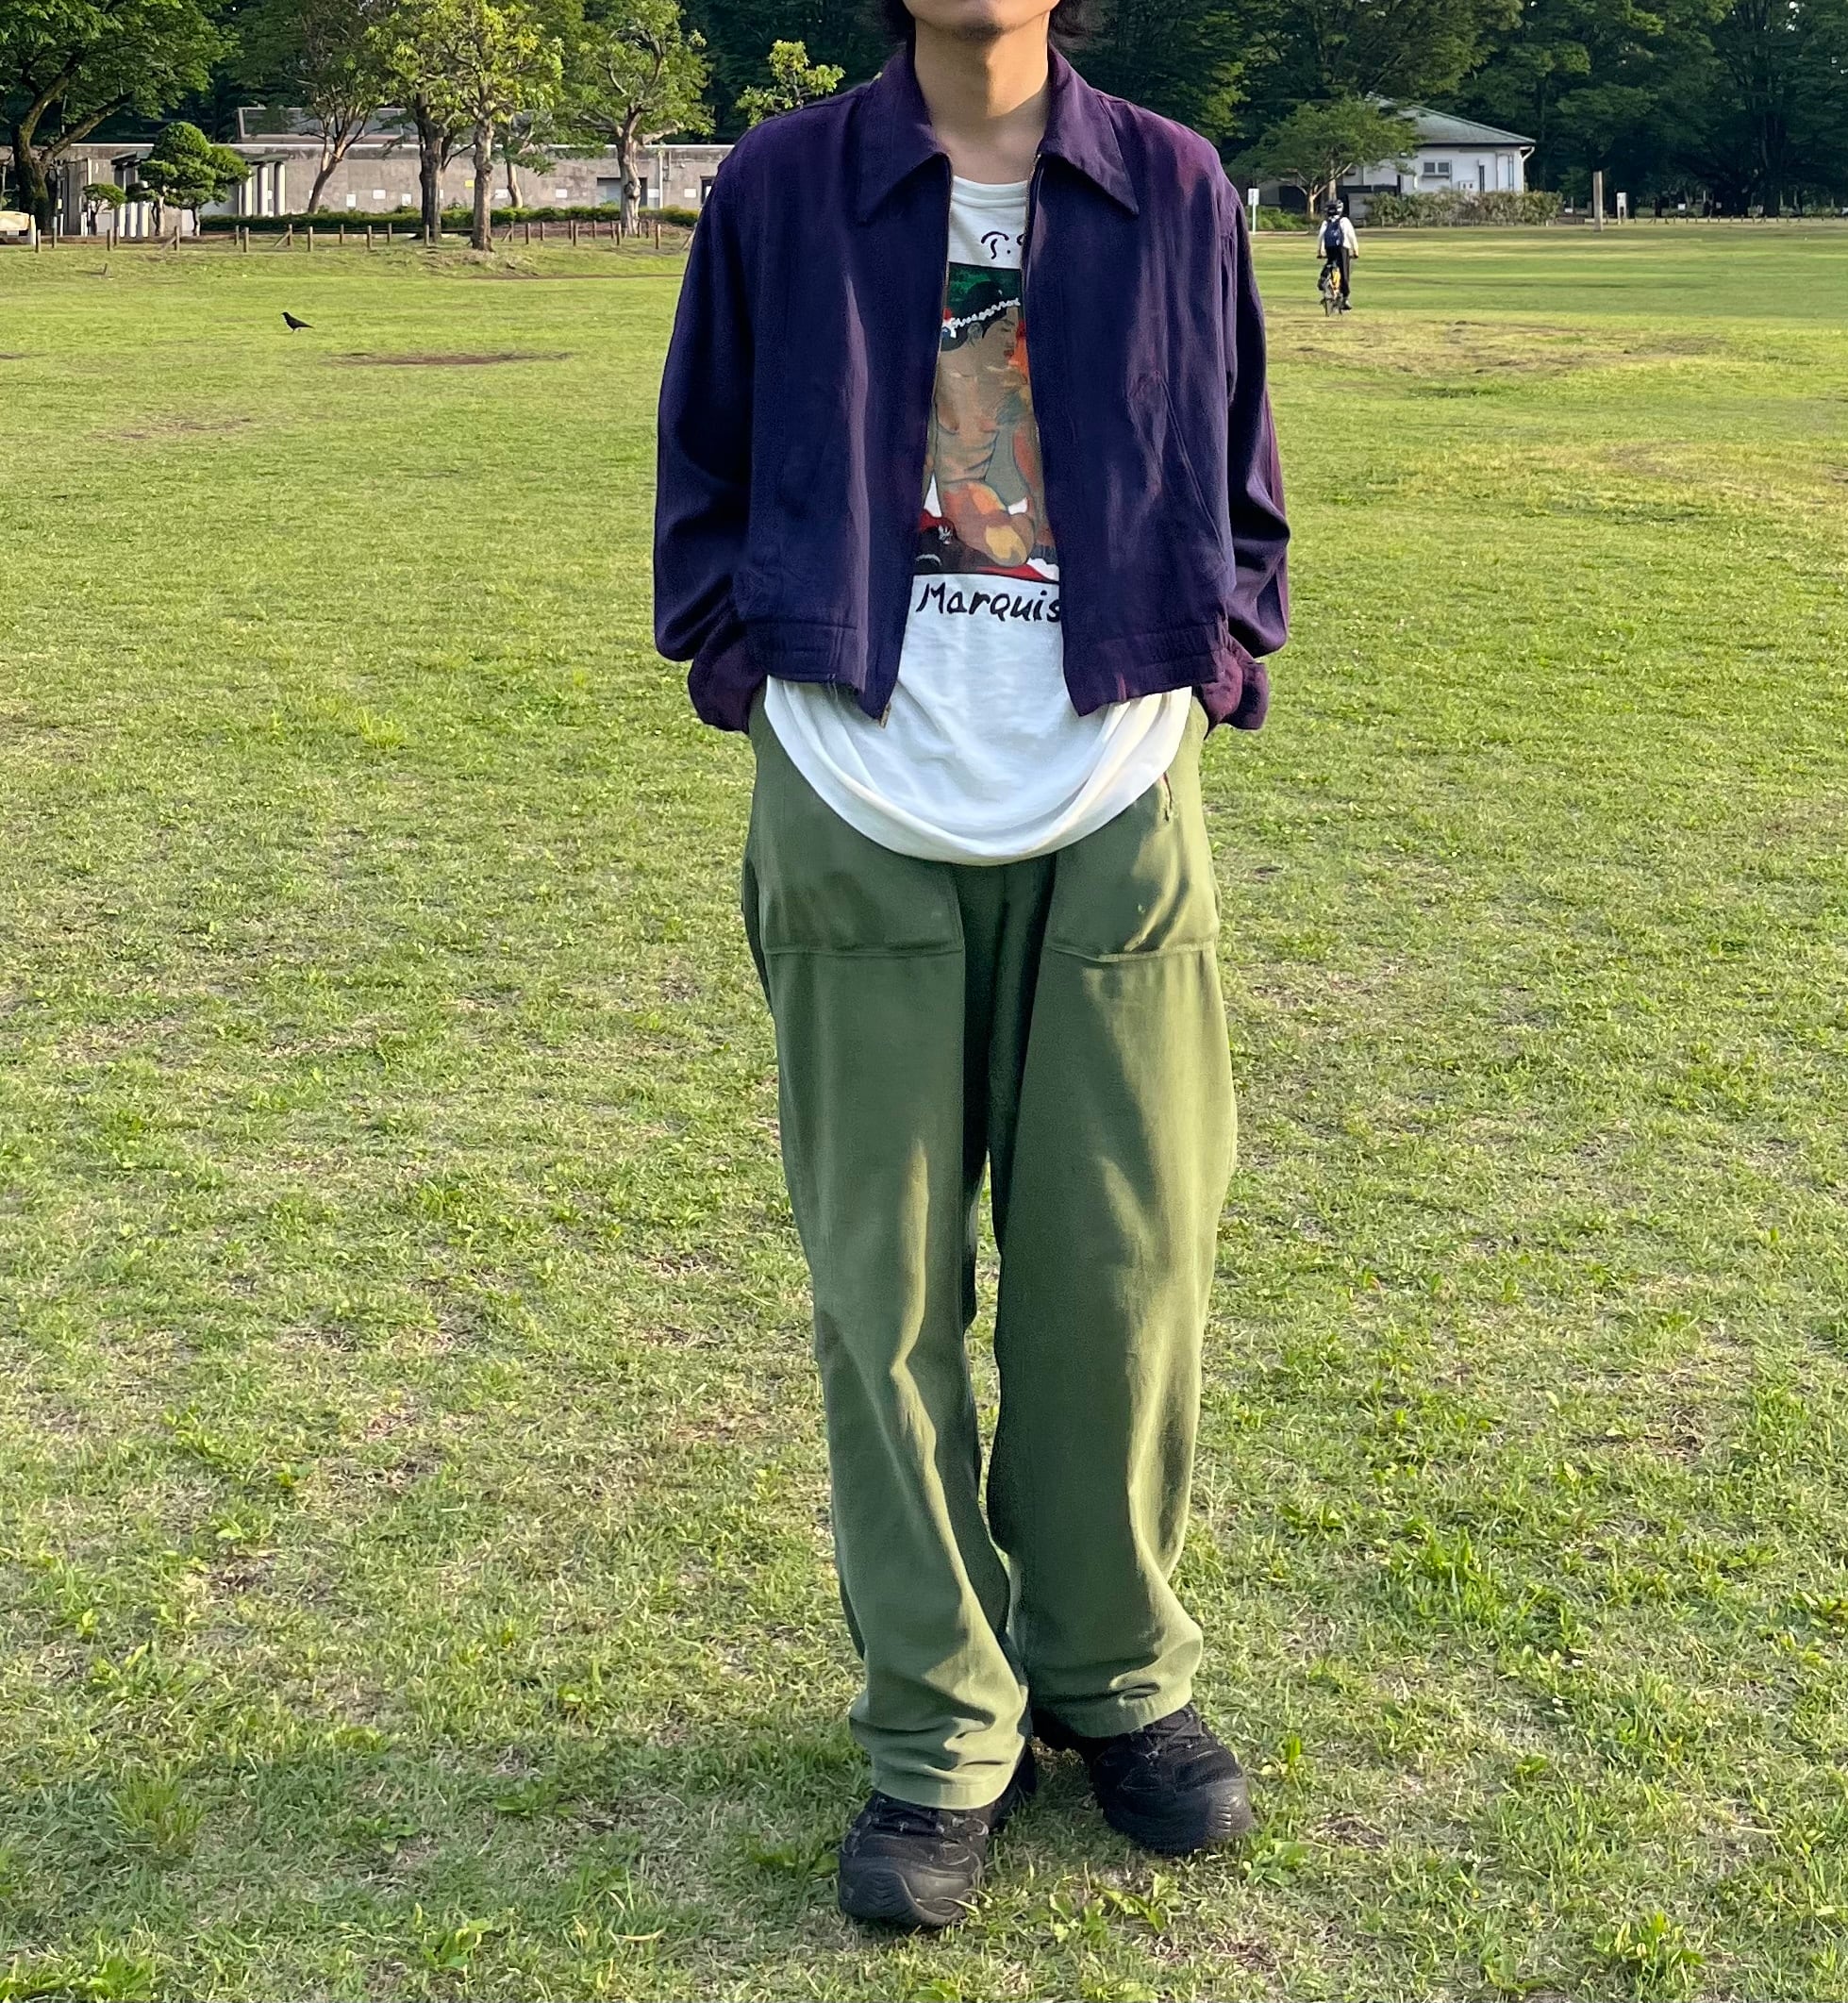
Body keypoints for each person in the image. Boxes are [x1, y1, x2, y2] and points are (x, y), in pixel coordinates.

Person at [654, 0, 1288, 1933]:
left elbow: (1235, 460)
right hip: (856, 782)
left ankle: (1110, 1669)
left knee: (1124, 1261)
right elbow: (700, 455)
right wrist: (748, 663)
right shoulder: (782, 185)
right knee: (883, 1284)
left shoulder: (1170, 185)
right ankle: (938, 1724)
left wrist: (1213, 650)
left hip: (1110, 783)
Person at [1318, 200, 1357, 310]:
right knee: (1344, 272)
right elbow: (1351, 236)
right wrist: (1355, 251)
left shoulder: (1326, 223)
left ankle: (1323, 277)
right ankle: (1345, 298)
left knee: (1330, 262)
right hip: (1342, 248)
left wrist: (1319, 251)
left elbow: (1320, 237)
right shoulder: (1344, 221)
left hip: (1329, 248)